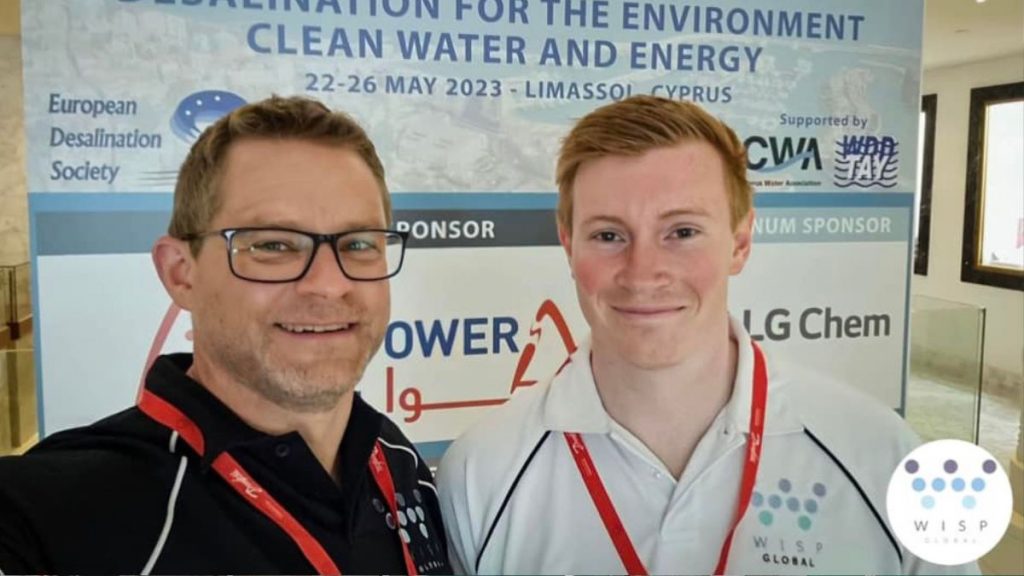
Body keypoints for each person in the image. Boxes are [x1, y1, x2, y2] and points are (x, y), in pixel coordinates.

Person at [436, 95, 976, 575]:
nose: (643, 272)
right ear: (567, 244)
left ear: (740, 243)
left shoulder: (882, 457)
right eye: (608, 235)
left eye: (683, 231)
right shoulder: (481, 473)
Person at [0, 96, 450, 575]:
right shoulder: (48, 514)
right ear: (181, 273)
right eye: (273, 244)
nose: (328, 284)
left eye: (358, 243)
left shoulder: (399, 464)